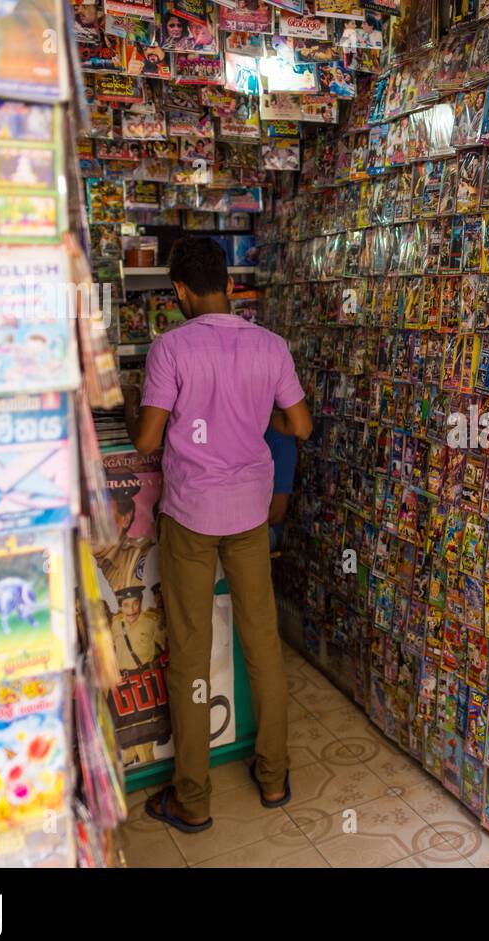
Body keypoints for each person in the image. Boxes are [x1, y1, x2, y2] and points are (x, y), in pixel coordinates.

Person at [127, 238, 313, 832]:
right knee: (263, 643)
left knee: (189, 653)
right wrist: (261, 419)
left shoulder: (170, 348)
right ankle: (275, 776)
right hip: (250, 514)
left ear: (180, 290)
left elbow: (148, 443)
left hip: (192, 515)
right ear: (228, 285)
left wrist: (138, 410)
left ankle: (193, 797)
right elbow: (300, 425)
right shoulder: (270, 345)